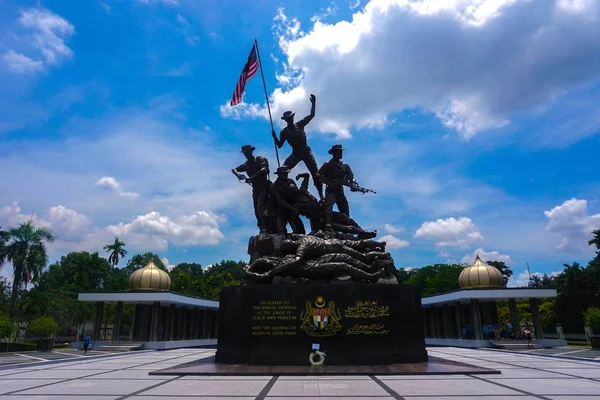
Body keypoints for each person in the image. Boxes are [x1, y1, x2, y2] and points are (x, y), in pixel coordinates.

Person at [272, 94, 324, 199]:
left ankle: (321, 195)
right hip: (295, 153)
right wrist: (275, 137)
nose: (289, 119)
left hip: (306, 151)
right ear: (285, 120)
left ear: (293, 118)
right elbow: (280, 145)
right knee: (283, 169)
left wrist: (313, 103)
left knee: (316, 174)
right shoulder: (284, 132)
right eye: (287, 119)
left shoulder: (300, 124)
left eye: (290, 118)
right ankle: (280, 188)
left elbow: (312, 115)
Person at [231, 145, 271, 233]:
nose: (245, 154)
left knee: (261, 206)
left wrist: (252, 178)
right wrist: (238, 175)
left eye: (247, 152)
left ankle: (266, 226)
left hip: (264, 186)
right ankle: (261, 226)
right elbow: (234, 169)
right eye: (244, 153)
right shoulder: (246, 164)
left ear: (251, 151)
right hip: (255, 188)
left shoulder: (259, 159)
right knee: (256, 209)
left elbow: (264, 169)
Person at [318, 145, 356, 228]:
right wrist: (328, 182)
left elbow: (351, 176)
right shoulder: (328, 164)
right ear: (334, 153)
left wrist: (352, 183)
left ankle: (348, 226)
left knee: (344, 207)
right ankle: (328, 224)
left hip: (340, 190)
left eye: (341, 151)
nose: (340, 153)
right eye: (338, 151)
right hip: (331, 190)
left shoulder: (345, 165)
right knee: (329, 207)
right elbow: (318, 176)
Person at [270, 166, 306, 234]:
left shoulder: (291, 181)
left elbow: (297, 194)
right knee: (280, 231)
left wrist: (296, 206)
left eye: (286, 173)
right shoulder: (274, 186)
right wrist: (292, 208)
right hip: (281, 209)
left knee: (300, 230)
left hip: (293, 207)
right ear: (279, 174)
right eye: (284, 173)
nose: (286, 175)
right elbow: (279, 200)